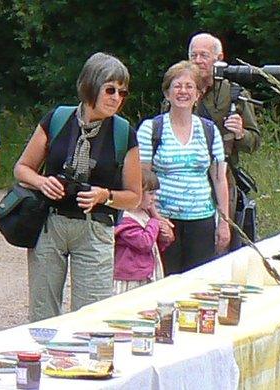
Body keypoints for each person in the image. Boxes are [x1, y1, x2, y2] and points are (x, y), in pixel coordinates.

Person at [14, 52, 142, 322]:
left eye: (123, 92)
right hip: (50, 223)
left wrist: (104, 195)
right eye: (110, 90)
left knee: (92, 317)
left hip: (95, 228)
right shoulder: (58, 118)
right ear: (90, 86)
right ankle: (42, 362)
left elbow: (134, 197)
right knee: (42, 314)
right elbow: (22, 168)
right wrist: (42, 182)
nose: (116, 98)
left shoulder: (123, 132)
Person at [138, 60, 230, 276]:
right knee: (164, 285)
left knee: (197, 285)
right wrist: (156, 219)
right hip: (164, 221)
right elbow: (143, 179)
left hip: (202, 221)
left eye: (189, 87)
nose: (183, 92)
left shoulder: (209, 131)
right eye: (177, 86)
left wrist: (224, 223)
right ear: (167, 93)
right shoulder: (151, 129)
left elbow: (219, 179)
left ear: (198, 94)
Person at [188, 32, 261, 250]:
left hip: (222, 177)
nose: (199, 61)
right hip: (183, 176)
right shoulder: (180, 89)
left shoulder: (234, 92)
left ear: (218, 57)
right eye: (194, 55)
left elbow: (254, 141)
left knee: (221, 244)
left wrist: (240, 133)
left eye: (204, 55)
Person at [113, 167, 174, 294]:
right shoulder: (125, 219)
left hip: (146, 274)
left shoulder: (144, 214)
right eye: (150, 193)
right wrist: (155, 221)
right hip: (130, 278)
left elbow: (153, 244)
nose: (154, 198)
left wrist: (164, 237)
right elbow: (144, 243)